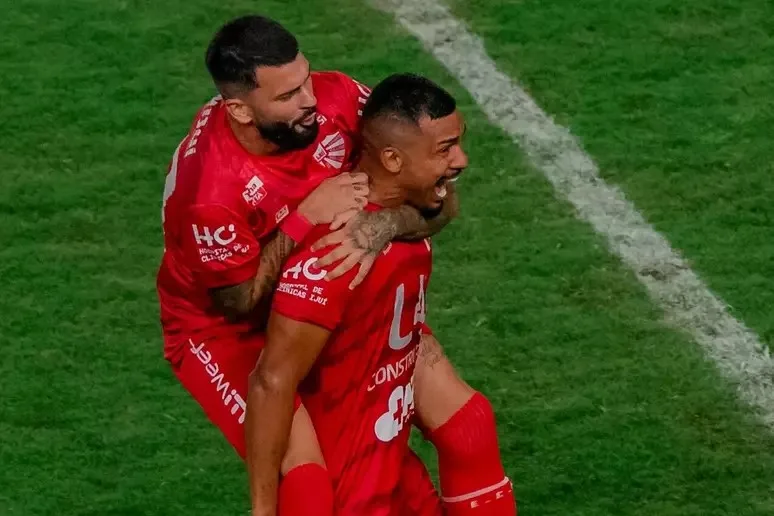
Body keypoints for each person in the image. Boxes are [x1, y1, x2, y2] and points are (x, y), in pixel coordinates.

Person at [156, 13, 514, 515]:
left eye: (305, 79)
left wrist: (384, 225)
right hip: (222, 328)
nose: (310, 100)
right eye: (287, 96)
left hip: (327, 288)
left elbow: (430, 180)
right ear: (239, 109)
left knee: (467, 426)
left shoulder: (338, 97)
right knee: (307, 480)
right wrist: (304, 219)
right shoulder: (211, 194)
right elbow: (237, 303)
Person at [250, 73, 514, 516]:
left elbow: (443, 208)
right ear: (392, 159)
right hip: (354, 491)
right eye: (445, 149)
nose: (462, 160)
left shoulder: (403, 210)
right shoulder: (335, 256)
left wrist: (390, 224)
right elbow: (270, 382)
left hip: (389, 463)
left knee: (470, 423)